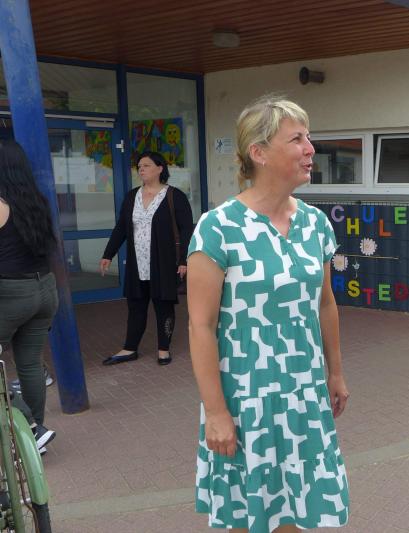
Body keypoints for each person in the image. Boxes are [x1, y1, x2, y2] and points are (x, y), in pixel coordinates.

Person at [187, 95, 350, 532]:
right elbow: (200, 326)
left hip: (303, 393)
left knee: (298, 509)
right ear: (258, 153)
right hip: (246, 400)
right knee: (249, 511)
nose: (310, 149)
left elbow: (325, 303)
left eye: (308, 137)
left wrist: (335, 372)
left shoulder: (316, 224)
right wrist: (215, 412)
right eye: (297, 139)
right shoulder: (218, 228)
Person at [99, 151, 192, 366]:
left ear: (160, 168)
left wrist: (183, 260)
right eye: (139, 166)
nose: (141, 169)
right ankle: (129, 348)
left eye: (146, 165)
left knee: (163, 306)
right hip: (137, 263)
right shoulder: (132, 196)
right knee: (136, 307)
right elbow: (121, 227)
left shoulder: (174, 196)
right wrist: (108, 254)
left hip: (164, 263)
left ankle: (163, 350)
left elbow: (187, 230)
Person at [0, 139, 59, 453]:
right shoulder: (36, 201)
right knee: (30, 365)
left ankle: (31, 426)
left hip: (11, 294)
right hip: (44, 289)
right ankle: (34, 438)